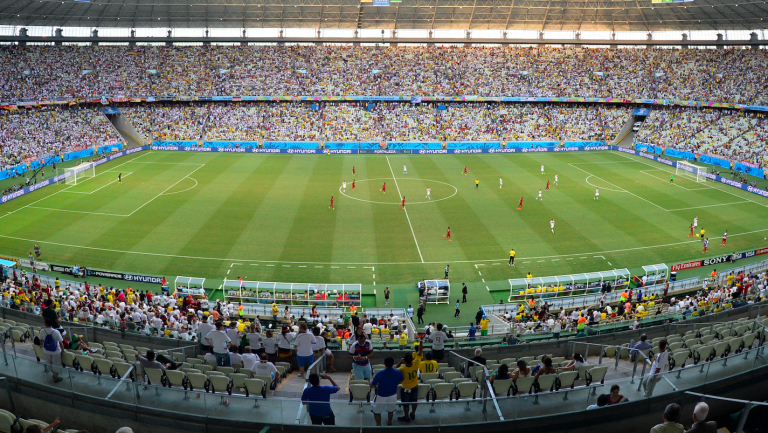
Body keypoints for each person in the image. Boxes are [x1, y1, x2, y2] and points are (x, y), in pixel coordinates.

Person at [370, 357, 404, 426]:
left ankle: (378, 424)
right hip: (393, 395)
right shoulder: (398, 372)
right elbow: (401, 381)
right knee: (390, 410)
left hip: (381, 395)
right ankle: (389, 421)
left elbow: (372, 385)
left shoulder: (380, 373)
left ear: (384, 363)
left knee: (377, 411)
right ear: (393, 363)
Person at [396, 351, 420, 422]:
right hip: (415, 387)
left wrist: (400, 362)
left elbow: (393, 370)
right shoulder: (416, 364)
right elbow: (419, 353)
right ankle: (413, 413)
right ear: (412, 360)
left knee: (406, 404)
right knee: (414, 401)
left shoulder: (402, 368)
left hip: (406, 388)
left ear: (404, 361)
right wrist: (421, 341)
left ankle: (406, 417)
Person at [39, 319, 65, 383]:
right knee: (56, 364)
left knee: (49, 364)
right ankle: (56, 377)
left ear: (45, 324)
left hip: (46, 350)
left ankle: (54, 375)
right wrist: (63, 350)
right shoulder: (56, 332)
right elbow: (61, 343)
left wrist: (42, 344)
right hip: (55, 351)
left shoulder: (42, 331)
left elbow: (40, 340)